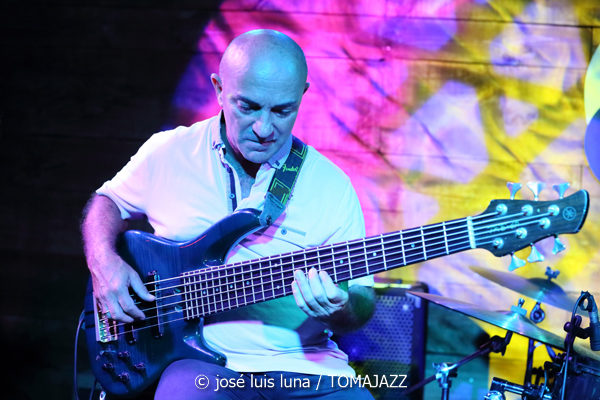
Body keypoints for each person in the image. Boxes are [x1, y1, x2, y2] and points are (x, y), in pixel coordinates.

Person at [81, 29, 376, 399]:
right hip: (196, 364)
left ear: (302, 95)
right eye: (247, 107)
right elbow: (106, 202)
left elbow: (361, 301)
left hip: (305, 367)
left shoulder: (332, 185)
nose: (264, 129)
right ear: (219, 89)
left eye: (282, 111)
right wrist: (104, 262)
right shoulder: (170, 151)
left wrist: (340, 308)